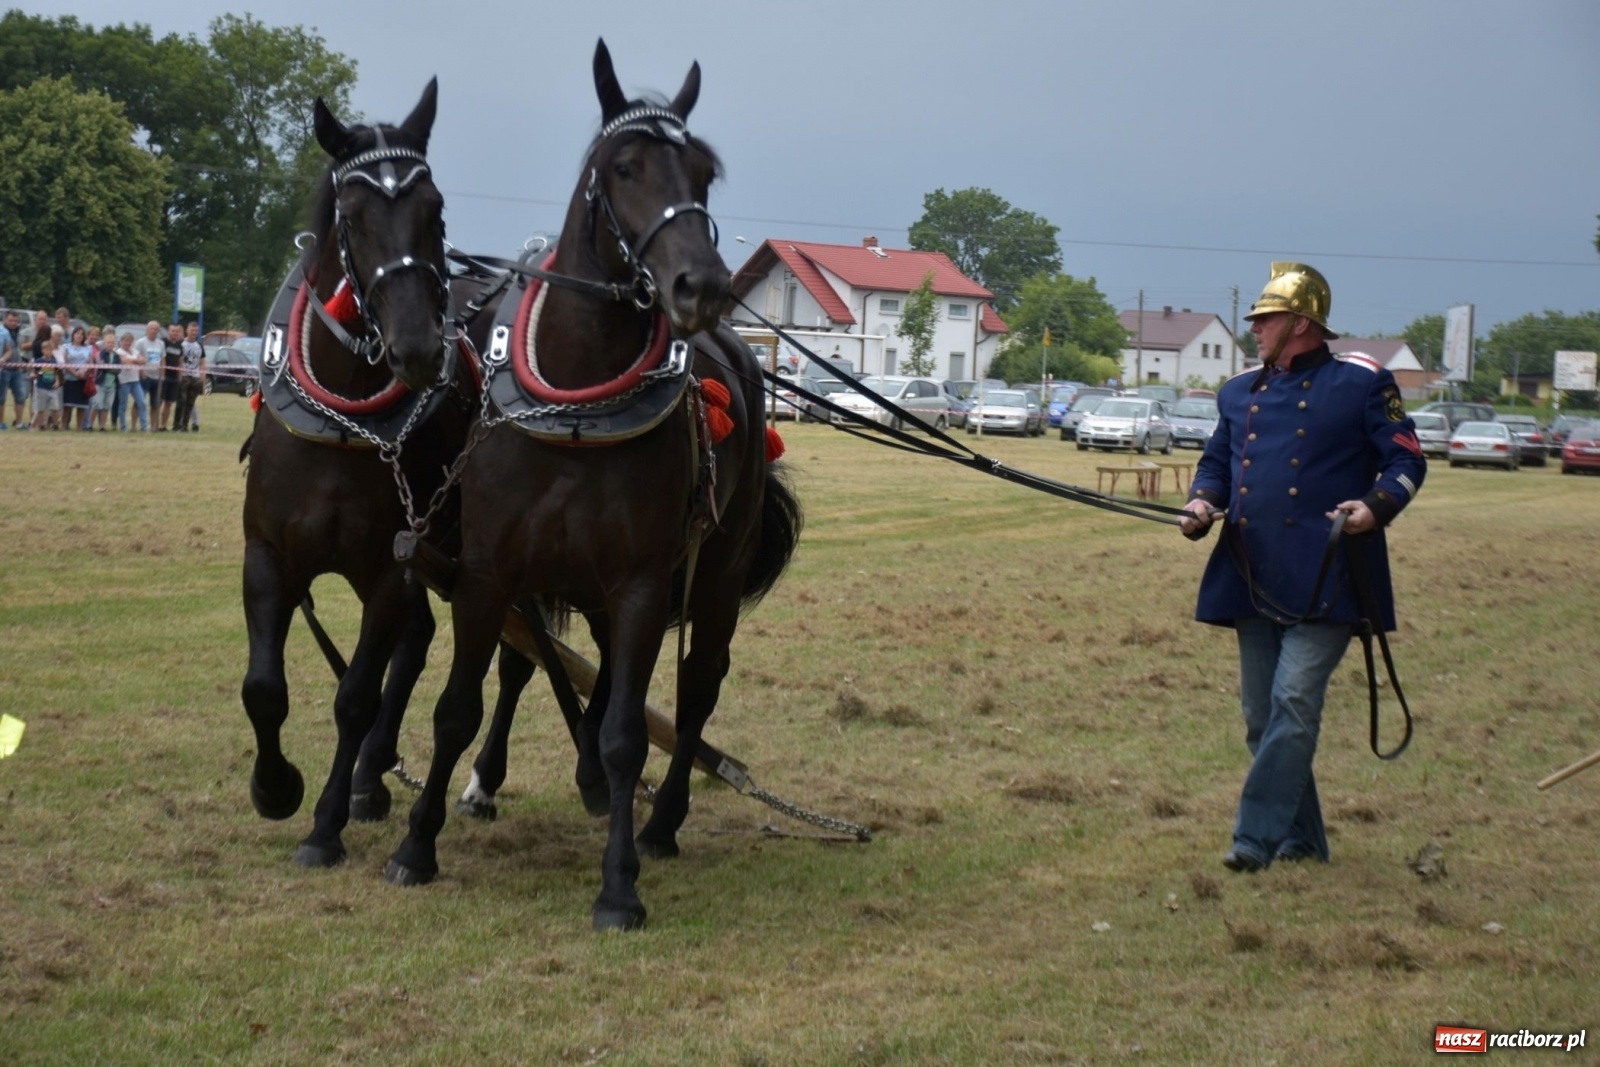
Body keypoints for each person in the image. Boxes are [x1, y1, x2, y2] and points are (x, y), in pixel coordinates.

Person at [1178, 263, 1427, 873]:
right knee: (1261, 719)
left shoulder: (1363, 382)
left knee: (1293, 702)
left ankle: (1253, 839)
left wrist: (1375, 507)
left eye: (1265, 320)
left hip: (1330, 574)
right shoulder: (1238, 391)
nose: (1255, 330)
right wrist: (1202, 501)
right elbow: (1216, 461)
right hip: (1250, 570)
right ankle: (1306, 839)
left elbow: (1407, 459)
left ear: (1301, 324)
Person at [60, 325, 96, 431]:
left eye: (81, 334)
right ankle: (63, 426)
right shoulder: (66, 347)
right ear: (73, 335)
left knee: (81, 406)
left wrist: (83, 371)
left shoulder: (88, 348)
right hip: (69, 379)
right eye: (77, 333)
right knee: (67, 406)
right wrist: (75, 373)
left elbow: (90, 362)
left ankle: (79, 428)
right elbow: (65, 362)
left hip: (82, 380)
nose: (79, 336)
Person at [173, 322, 206, 433]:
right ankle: (176, 424)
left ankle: (185, 426)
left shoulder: (199, 345)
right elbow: (179, 361)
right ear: (187, 330)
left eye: (196, 331)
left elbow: (202, 362)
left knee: (190, 403)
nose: (194, 333)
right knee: (181, 401)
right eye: (192, 330)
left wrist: (202, 378)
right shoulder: (181, 344)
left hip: (195, 377)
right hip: (184, 376)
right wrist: (180, 375)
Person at [114, 331, 148, 432]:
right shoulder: (119, 352)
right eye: (126, 341)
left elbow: (143, 360)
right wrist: (136, 361)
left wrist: (135, 361)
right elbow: (126, 362)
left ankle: (144, 427)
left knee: (142, 402)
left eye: (129, 341)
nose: (127, 343)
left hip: (135, 380)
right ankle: (124, 427)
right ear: (121, 341)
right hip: (124, 381)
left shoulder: (134, 351)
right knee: (123, 404)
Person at [0, 309, 26, 429]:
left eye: (16, 320)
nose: (13, 322)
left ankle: (19, 423)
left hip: (17, 369)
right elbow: (7, 350)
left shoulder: (20, 333)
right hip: (4, 369)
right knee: (1, 397)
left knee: (21, 396)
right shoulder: (3, 332)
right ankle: (1, 423)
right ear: (6, 320)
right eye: (11, 320)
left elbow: (18, 350)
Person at [134, 321, 164, 427]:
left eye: (156, 329)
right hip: (144, 377)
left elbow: (162, 360)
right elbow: (137, 358)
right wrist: (142, 372)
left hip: (156, 378)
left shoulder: (161, 344)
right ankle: (134, 426)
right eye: (152, 329)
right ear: (147, 330)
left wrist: (162, 375)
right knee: (139, 403)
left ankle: (153, 426)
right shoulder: (140, 342)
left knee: (155, 404)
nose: (154, 331)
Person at [31, 331, 62, 430]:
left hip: (52, 388)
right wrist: (33, 375)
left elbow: (56, 373)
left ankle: (56, 424)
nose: (48, 352)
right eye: (46, 350)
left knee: (55, 407)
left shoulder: (54, 361)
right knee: (41, 408)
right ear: (42, 350)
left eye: (50, 350)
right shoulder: (39, 361)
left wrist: (57, 381)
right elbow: (34, 372)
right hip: (41, 387)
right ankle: (41, 425)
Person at [89, 324, 118, 431]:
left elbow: (118, 370)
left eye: (112, 343)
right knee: (96, 405)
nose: (110, 344)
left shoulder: (116, 356)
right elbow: (102, 366)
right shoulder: (101, 353)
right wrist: (111, 369)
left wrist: (110, 368)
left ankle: (102, 426)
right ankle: (90, 425)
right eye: (108, 343)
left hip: (112, 384)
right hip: (100, 383)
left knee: (106, 406)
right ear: (104, 343)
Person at [156, 323, 184, 431]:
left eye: (177, 331)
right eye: (173, 331)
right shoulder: (163, 342)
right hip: (164, 377)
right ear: (168, 331)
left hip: (174, 378)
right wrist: (161, 376)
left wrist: (180, 377)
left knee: (169, 403)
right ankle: (155, 423)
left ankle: (163, 425)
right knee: (160, 401)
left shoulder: (180, 346)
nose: (175, 333)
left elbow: (180, 362)